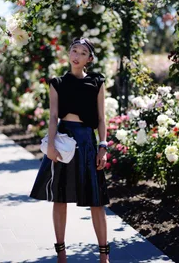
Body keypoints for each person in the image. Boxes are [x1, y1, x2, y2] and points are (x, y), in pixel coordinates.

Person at [30, 37, 110, 263]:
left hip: (86, 141)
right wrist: (51, 146)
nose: (76, 55)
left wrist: (103, 146)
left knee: (96, 200)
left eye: (82, 52)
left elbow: (103, 118)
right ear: (68, 53)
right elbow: (53, 117)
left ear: (89, 59)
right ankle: (61, 254)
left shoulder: (96, 81)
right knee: (60, 197)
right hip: (63, 140)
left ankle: (104, 257)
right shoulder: (57, 82)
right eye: (74, 50)